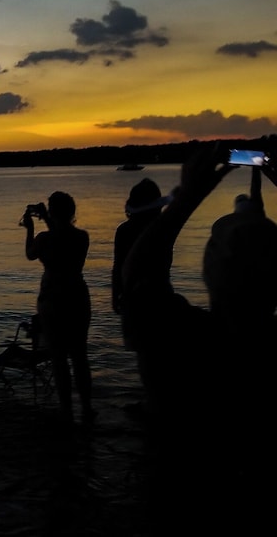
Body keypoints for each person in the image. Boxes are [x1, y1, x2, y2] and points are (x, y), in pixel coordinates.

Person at [121, 145, 277, 532]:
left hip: (188, 504)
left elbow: (137, 275)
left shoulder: (186, 340)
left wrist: (189, 197)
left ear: (209, 268)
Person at [22, 192, 94, 423]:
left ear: (52, 212)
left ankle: (67, 411)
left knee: (59, 359)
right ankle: (87, 409)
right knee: (80, 356)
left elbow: (30, 254)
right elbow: (63, 238)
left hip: (53, 300)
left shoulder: (45, 239)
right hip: (78, 297)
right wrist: (45, 218)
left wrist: (30, 228)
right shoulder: (81, 237)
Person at [112, 178, 166, 315]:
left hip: (132, 296)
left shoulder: (124, 230)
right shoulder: (162, 230)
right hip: (160, 294)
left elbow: (118, 266)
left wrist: (115, 294)